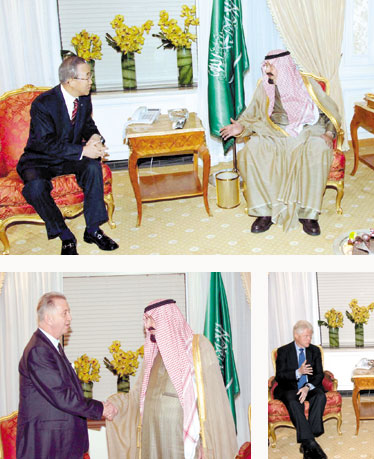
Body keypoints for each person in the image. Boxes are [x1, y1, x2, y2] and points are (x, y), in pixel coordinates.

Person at [220, 49, 342, 236]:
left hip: (307, 129)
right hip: (273, 131)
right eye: (266, 65)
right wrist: (241, 127)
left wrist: (329, 133)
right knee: (252, 149)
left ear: (284, 67)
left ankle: (308, 214)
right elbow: (252, 115)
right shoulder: (265, 87)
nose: (267, 70)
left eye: (271, 66)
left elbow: (329, 112)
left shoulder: (307, 85)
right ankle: (265, 212)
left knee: (318, 149)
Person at [105, 299, 238, 459]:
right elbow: (136, 396)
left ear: (168, 319)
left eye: (152, 319)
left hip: (180, 441)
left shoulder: (197, 348)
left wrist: (206, 443)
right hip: (152, 438)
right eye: (146, 320)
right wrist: (114, 405)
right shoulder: (152, 356)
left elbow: (212, 400)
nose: (148, 325)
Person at [16, 56, 118, 255]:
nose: (91, 81)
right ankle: (65, 235)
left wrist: (95, 138)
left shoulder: (84, 97)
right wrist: (83, 151)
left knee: (92, 167)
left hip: (69, 156)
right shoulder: (43, 104)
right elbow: (45, 143)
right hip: (40, 159)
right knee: (35, 188)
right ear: (70, 81)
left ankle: (93, 230)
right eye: (87, 77)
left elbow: (87, 125)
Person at [16, 292, 118, 459]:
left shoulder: (51, 347)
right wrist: (100, 408)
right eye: (65, 313)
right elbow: (62, 396)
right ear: (49, 318)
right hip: (47, 444)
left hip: (59, 443)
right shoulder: (39, 350)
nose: (70, 318)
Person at [274, 320, 327, 459]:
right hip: (290, 387)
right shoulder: (283, 351)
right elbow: (279, 376)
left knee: (320, 396)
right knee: (293, 401)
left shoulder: (314, 350)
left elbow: (319, 374)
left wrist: (307, 387)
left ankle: (307, 439)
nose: (309, 339)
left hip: (309, 387)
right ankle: (310, 442)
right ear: (296, 336)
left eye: (310, 336)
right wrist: (298, 372)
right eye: (306, 336)